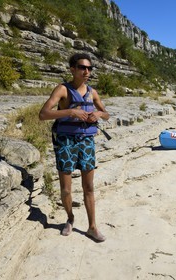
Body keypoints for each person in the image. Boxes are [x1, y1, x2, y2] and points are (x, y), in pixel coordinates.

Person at [39, 53, 110, 242]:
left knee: (89, 187)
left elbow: (106, 113)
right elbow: (43, 114)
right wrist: (71, 111)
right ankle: (70, 218)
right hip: (66, 142)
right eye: (82, 67)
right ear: (73, 69)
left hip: (87, 142)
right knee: (67, 189)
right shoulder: (63, 89)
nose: (86, 71)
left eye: (89, 68)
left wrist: (98, 114)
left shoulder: (92, 92)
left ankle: (92, 227)